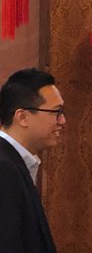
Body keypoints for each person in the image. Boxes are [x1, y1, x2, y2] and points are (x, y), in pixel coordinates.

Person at [0, 68, 66, 253]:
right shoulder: (3, 168)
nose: (62, 120)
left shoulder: (13, 161)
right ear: (22, 117)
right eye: (56, 112)